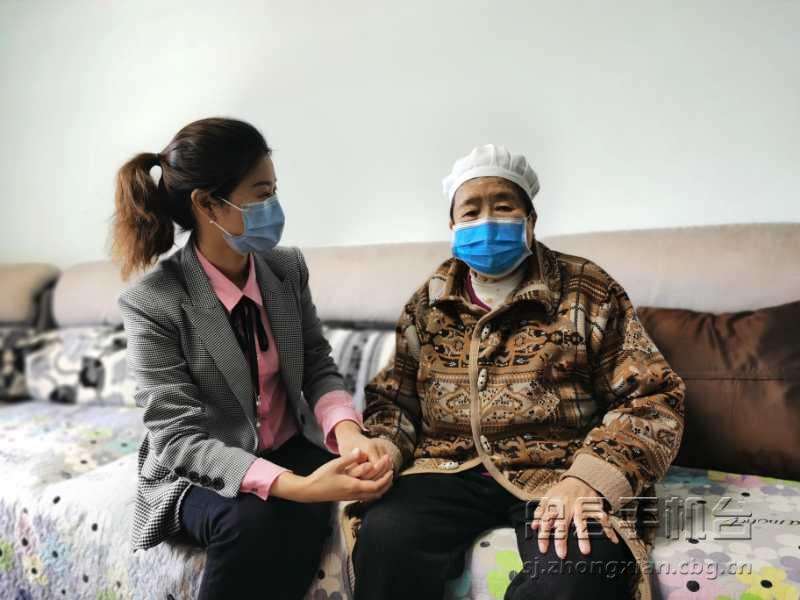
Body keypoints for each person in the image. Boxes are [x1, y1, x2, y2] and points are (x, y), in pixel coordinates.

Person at [346, 144, 686, 600]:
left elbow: (652, 398)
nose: (487, 221)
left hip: (560, 473)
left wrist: (589, 479)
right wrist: (384, 447)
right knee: (385, 540)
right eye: (471, 211)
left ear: (531, 219)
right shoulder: (429, 302)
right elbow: (395, 401)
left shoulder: (588, 289)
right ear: (452, 227)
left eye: (503, 207)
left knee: (576, 576)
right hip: (445, 470)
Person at [110, 117, 395, 599]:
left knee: (377, 487)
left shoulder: (285, 269)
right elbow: (178, 439)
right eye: (261, 194)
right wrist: (296, 486)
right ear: (207, 204)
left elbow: (316, 364)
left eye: (274, 191)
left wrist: (348, 433)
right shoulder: (154, 301)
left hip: (288, 442)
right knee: (255, 521)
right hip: (200, 468)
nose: (274, 207)